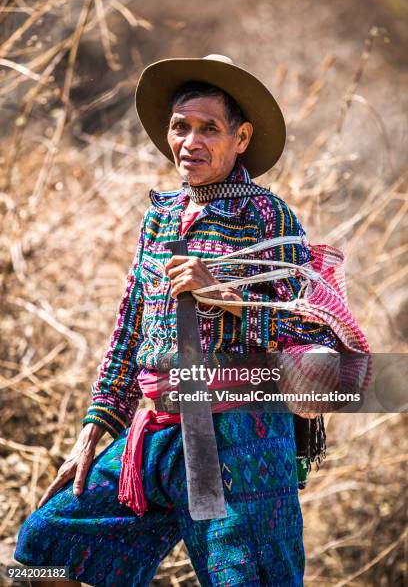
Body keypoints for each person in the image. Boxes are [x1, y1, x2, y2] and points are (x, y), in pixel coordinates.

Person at [14, 54, 365, 586]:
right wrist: (94, 427)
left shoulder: (267, 216)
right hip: (155, 432)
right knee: (45, 545)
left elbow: (311, 329)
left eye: (210, 129)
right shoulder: (160, 215)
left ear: (241, 138)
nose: (191, 142)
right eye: (181, 127)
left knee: (247, 581)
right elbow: (131, 326)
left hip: (240, 437)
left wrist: (227, 297)